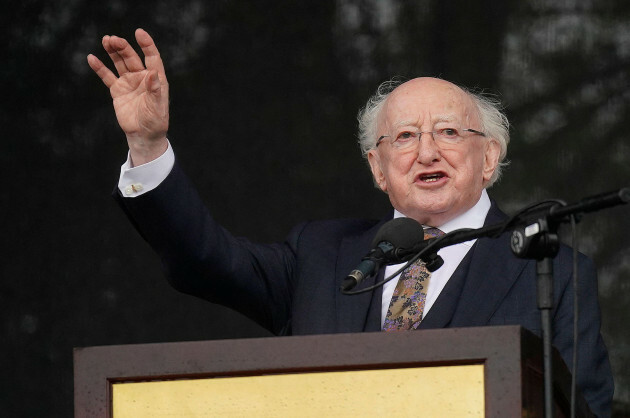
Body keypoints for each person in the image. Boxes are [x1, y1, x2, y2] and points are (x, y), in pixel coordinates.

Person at [88, 28, 614, 416]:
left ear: (490, 157)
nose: (427, 150)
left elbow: (584, 409)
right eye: (404, 137)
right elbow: (203, 259)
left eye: (449, 132)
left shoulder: (554, 271)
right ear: (377, 169)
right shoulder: (320, 254)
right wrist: (148, 144)